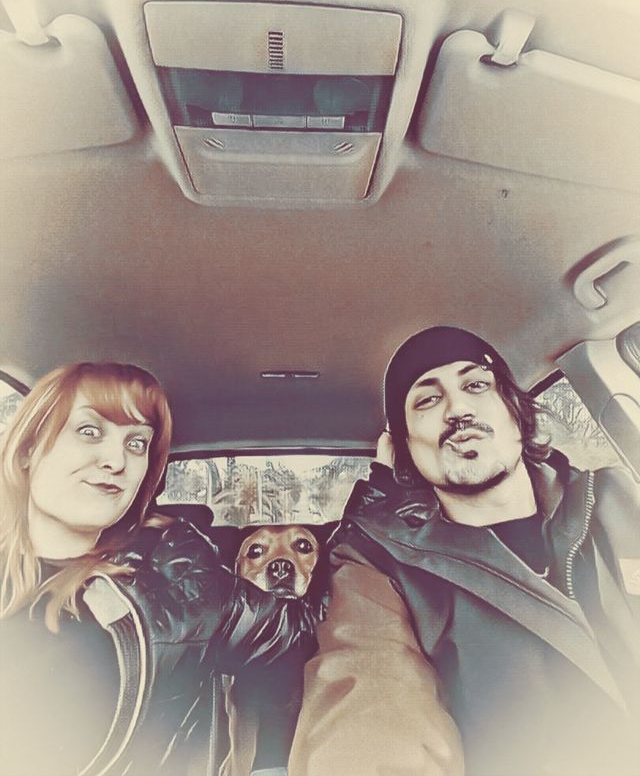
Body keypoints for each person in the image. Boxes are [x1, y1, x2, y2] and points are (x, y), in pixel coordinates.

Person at [289, 326, 640, 776]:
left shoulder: (619, 498)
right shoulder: (375, 568)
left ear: (516, 413)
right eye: (427, 400)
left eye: (476, 385)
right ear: (404, 447)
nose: (457, 409)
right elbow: (368, 703)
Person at [0, 361, 316, 776]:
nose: (116, 459)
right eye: (89, 431)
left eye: (137, 443)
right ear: (27, 449)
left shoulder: (182, 583)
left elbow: (297, 635)